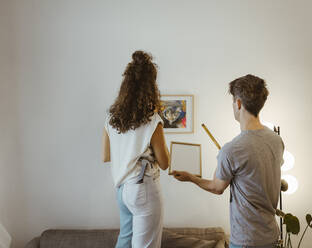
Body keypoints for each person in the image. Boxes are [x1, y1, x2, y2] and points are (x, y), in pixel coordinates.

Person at [172, 74, 284, 248]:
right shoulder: (276, 140)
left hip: (246, 241)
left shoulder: (232, 149)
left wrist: (190, 178)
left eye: (233, 101)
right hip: (271, 237)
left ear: (238, 103)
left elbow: (217, 188)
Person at [102, 51, 170, 248]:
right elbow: (165, 163)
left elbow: (105, 155)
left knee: (124, 241)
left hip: (122, 189)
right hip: (142, 188)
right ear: (151, 86)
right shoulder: (152, 119)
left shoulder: (111, 118)